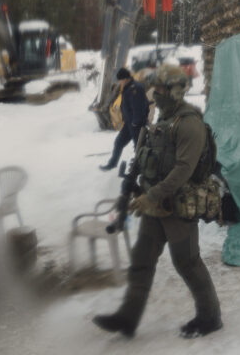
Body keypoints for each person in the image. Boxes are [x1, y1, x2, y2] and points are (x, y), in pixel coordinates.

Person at [93, 64, 222, 339]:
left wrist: (151, 195)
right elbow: (144, 157)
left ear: (176, 90)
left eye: (161, 89)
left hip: (178, 206)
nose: (156, 93)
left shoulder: (189, 124)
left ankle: (210, 317)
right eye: (156, 88)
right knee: (141, 259)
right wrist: (134, 186)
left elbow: (183, 170)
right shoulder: (162, 119)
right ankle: (128, 317)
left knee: (187, 263)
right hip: (154, 205)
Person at [100, 68, 149, 171]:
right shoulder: (128, 87)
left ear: (126, 78)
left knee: (139, 147)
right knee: (119, 142)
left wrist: (136, 123)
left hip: (137, 125)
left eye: (120, 80)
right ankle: (112, 164)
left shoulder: (135, 88)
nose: (119, 82)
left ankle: (141, 169)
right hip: (129, 124)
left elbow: (139, 107)